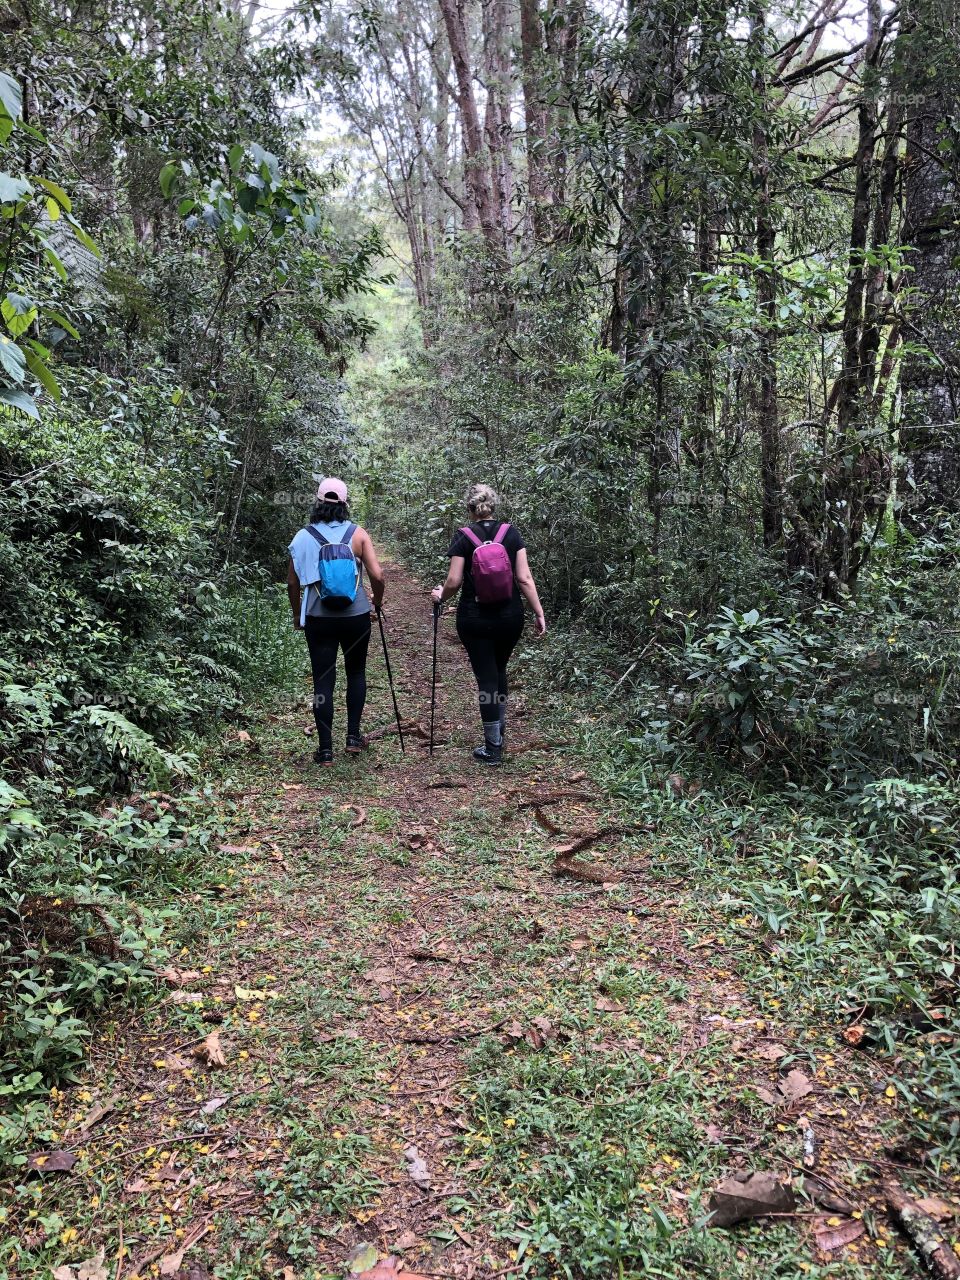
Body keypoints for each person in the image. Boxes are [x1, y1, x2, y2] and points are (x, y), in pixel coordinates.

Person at [431, 483, 546, 764]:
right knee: (499, 669)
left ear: (470, 509)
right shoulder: (511, 534)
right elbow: (524, 579)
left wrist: (439, 596)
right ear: (493, 505)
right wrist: (539, 611)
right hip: (510, 617)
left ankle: (492, 747)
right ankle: (499, 729)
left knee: (486, 679)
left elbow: (454, 581)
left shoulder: (463, 537)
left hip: (475, 618)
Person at [287, 478, 385, 765]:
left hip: (319, 619)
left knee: (323, 681)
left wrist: (297, 614)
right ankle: (353, 737)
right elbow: (378, 577)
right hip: (356, 616)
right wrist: (376, 603)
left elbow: (292, 584)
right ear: (345, 503)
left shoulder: (302, 537)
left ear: (318, 502)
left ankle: (326, 749)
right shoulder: (358, 534)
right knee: (356, 673)